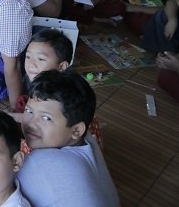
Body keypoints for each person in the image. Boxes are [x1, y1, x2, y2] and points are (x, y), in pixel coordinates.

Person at [17, 70, 119, 207]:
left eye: (46, 118)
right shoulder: (88, 139)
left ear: (76, 130)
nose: (31, 123)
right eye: (29, 111)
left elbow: (1, 191)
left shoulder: (39, 160)